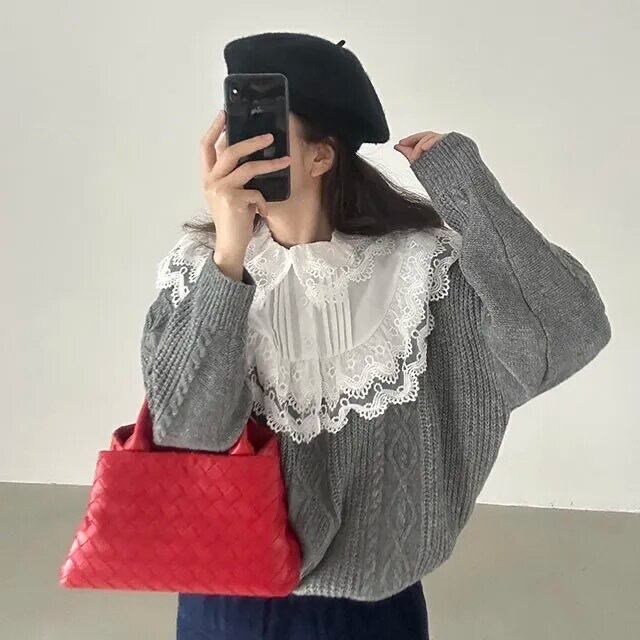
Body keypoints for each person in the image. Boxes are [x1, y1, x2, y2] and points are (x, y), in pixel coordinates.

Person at [139, 32, 612, 640]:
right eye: (237, 127)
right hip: (223, 603)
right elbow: (188, 433)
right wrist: (228, 259)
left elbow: (569, 329)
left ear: (321, 157)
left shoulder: (419, 278)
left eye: (266, 130)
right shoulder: (199, 271)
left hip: (370, 614)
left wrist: (467, 189)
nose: (243, 151)